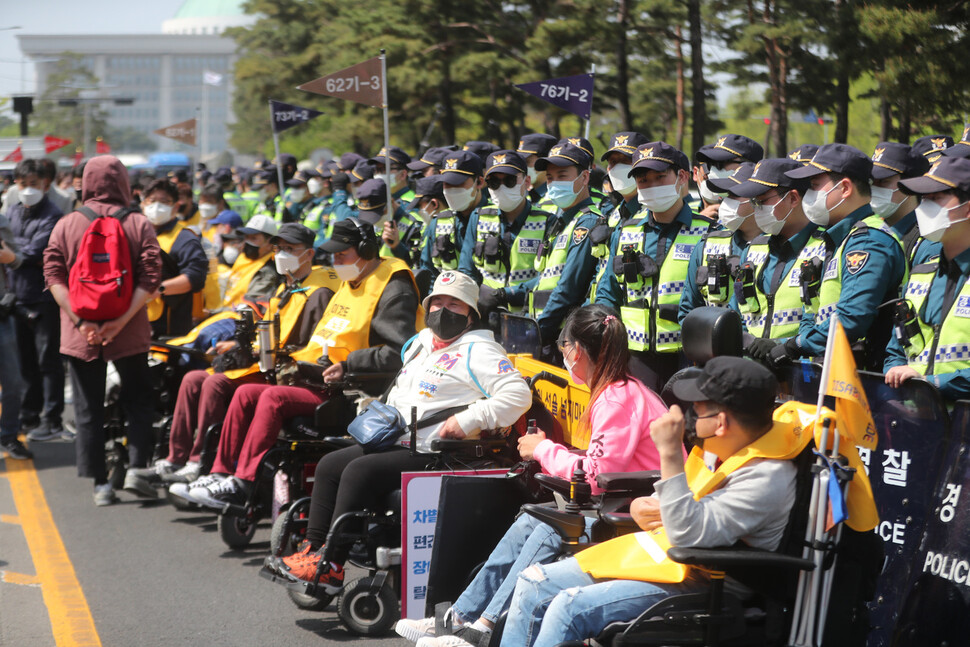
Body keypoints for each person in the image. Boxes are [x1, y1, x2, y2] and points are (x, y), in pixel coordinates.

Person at [395, 304, 668, 646]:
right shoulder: (617, 392)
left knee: (548, 526)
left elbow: (597, 475)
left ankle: (483, 626)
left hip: (635, 515)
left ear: (577, 351)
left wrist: (543, 450)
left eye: (564, 347)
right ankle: (460, 618)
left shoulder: (617, 399)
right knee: (529, 520)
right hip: (619, 502)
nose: (563, 355)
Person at [483, 357, 797, 647]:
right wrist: (640, 507)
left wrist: (671, 453)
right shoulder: (720, 447)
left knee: (567, 608)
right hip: (667, 557)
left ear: (721, 422)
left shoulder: (765, 476)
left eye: (697, 410)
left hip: (711, 580)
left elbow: (687, 535)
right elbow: (672, 502)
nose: (688, 417)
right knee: (534, 582)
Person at [267, 271, 532, 592]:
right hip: (398, 437)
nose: (443, 311)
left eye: (454, 305)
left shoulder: (480, 351)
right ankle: (314, 551)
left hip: (439, 451)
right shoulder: (420, 343)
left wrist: (467, 420)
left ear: (471, 314)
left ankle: (332, 565)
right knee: (329, 465)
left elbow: (518, 395)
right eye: (437, 303)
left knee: (358, 471)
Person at [176, 218, 425, 508]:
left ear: (367, 250)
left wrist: (348, 364)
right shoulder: (352, 279)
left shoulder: (393, 285)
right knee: (245, 393)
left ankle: (244, 483)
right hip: (315, 375)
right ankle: (221, 473)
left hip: (354, 386)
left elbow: (399, 351)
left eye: (342, 254)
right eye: (332, 254)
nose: (335, 261)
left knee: (272, 397)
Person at [127, 223, 336, 496]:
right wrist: (237, 345)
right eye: (278, 248)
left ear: (308, 254)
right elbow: (268, 329)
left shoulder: (317, 293)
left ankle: (201, 463)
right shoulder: (286, 287)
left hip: (283, 370)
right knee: (192, 378)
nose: (281, 254)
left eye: (289, 249)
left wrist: (251, 350)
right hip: (261, 359)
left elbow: (300, 347)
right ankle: (176, 458)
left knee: (215, 384)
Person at [43, 155, 162, 506]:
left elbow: (52, 274)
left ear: (86, 182)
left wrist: (82, 322)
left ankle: (100, 485)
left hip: (81, 332)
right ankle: (139, 467)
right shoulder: (138, 223)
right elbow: (151, 277)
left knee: (87, 406)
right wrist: (120, 322)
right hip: (128, 328)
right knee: (139, 398)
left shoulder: (68, 223)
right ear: (123, 182)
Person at [769, 143, 907, 371]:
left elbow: (852, 319)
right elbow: (813, 310)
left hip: (866, 379)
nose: (808, 196)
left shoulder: (868, 241)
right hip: (831, 371)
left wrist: (795, 344)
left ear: (844, 188)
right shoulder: (840, 238)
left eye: (814, 187)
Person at [595, 141, 714, 391]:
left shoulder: (710, 233)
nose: (651, 187)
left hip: (688, 358)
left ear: (681, 177)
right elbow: (608, 293)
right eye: (643, 180)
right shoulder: (625, 232)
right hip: (633, 359)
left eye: (660, 178)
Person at [885, 156, 970, 401]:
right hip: (917, 423)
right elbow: (896, 350)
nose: (924, 208)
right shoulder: (921, 273)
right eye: (923, 199)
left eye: (936, 198)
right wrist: (894, 373)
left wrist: (931, 383)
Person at [718, 159, 822, 359]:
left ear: (793, 199)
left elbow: (824, 320)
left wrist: (780, 345)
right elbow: (735, 313)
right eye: (753, 202)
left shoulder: (823, 247)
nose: (756, 208)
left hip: (802, 371)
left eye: (762, 201)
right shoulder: (755, 248)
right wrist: (748, 343)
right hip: (753, 368)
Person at [508, 141, 602, 357]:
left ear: (584, 178)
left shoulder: (586, 222)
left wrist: (537, 332)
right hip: (547, 329)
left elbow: (568, 289)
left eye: (562, 176)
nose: (554, 184)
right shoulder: (561, 222)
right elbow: (546, 277)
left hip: (562, 336)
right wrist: (508, 293)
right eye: (550, 178)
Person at [6, 159, 66, 442]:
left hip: (43, 298)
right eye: (23, 184)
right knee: (25, 363)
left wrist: (13, 257)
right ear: (15, 185)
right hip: (16, 298)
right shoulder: (14, 212)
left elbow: (32, 253)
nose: (28, 189)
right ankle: (29, 415)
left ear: (45, 183)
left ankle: (52, 418)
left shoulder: (53, 216)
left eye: (33, 184)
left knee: (48, 362)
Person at [462, 150, 551, 317]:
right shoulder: (478, 217)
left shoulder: (547, 221)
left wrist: (507, 293)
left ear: (527, 181)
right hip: (485, 315)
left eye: (510, 181)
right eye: (494, 182)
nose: (501, 187)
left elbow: (549, 276)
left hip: (528, 317)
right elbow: (466, 270)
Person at [677, 161, 759, 320]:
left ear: (757, 200)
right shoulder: (706, 246)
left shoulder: (780, 248)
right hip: (711, 344)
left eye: (734, 195)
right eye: (726, 194)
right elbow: (688, 311)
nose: (724, 200)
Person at [141, 179, 209, 338]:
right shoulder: (136, 234)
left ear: (175, 206)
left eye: (164, 202)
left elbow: (195, 277)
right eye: (152, 200)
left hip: (169, 328)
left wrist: (157, 290)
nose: (157, 206)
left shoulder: (185, 238)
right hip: (136, 322)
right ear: (143, 203)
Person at [420, 150, 486, 277]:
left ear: (479, 182)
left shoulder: (497, 218)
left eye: (458, 183)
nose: (451, 189)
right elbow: (428, 273)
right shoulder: (438, 223)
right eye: (446, 184)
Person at [0, 211, 30, 460]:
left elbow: (17, 259)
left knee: (13, 381)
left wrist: (9, 257)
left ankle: (9, 434)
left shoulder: (0, 221)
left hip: (2, 315)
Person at [869, 142, 930, 264]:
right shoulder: (869, 229)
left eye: (882, 181)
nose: (874, 189)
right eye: (871, 182)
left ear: (911, 185)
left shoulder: (926, 238)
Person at [693, 134, 764, 219]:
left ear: (750, 167)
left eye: (721, 163)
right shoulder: (692, 213)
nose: (713, 169)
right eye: (711, 164)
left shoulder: (767, 215)